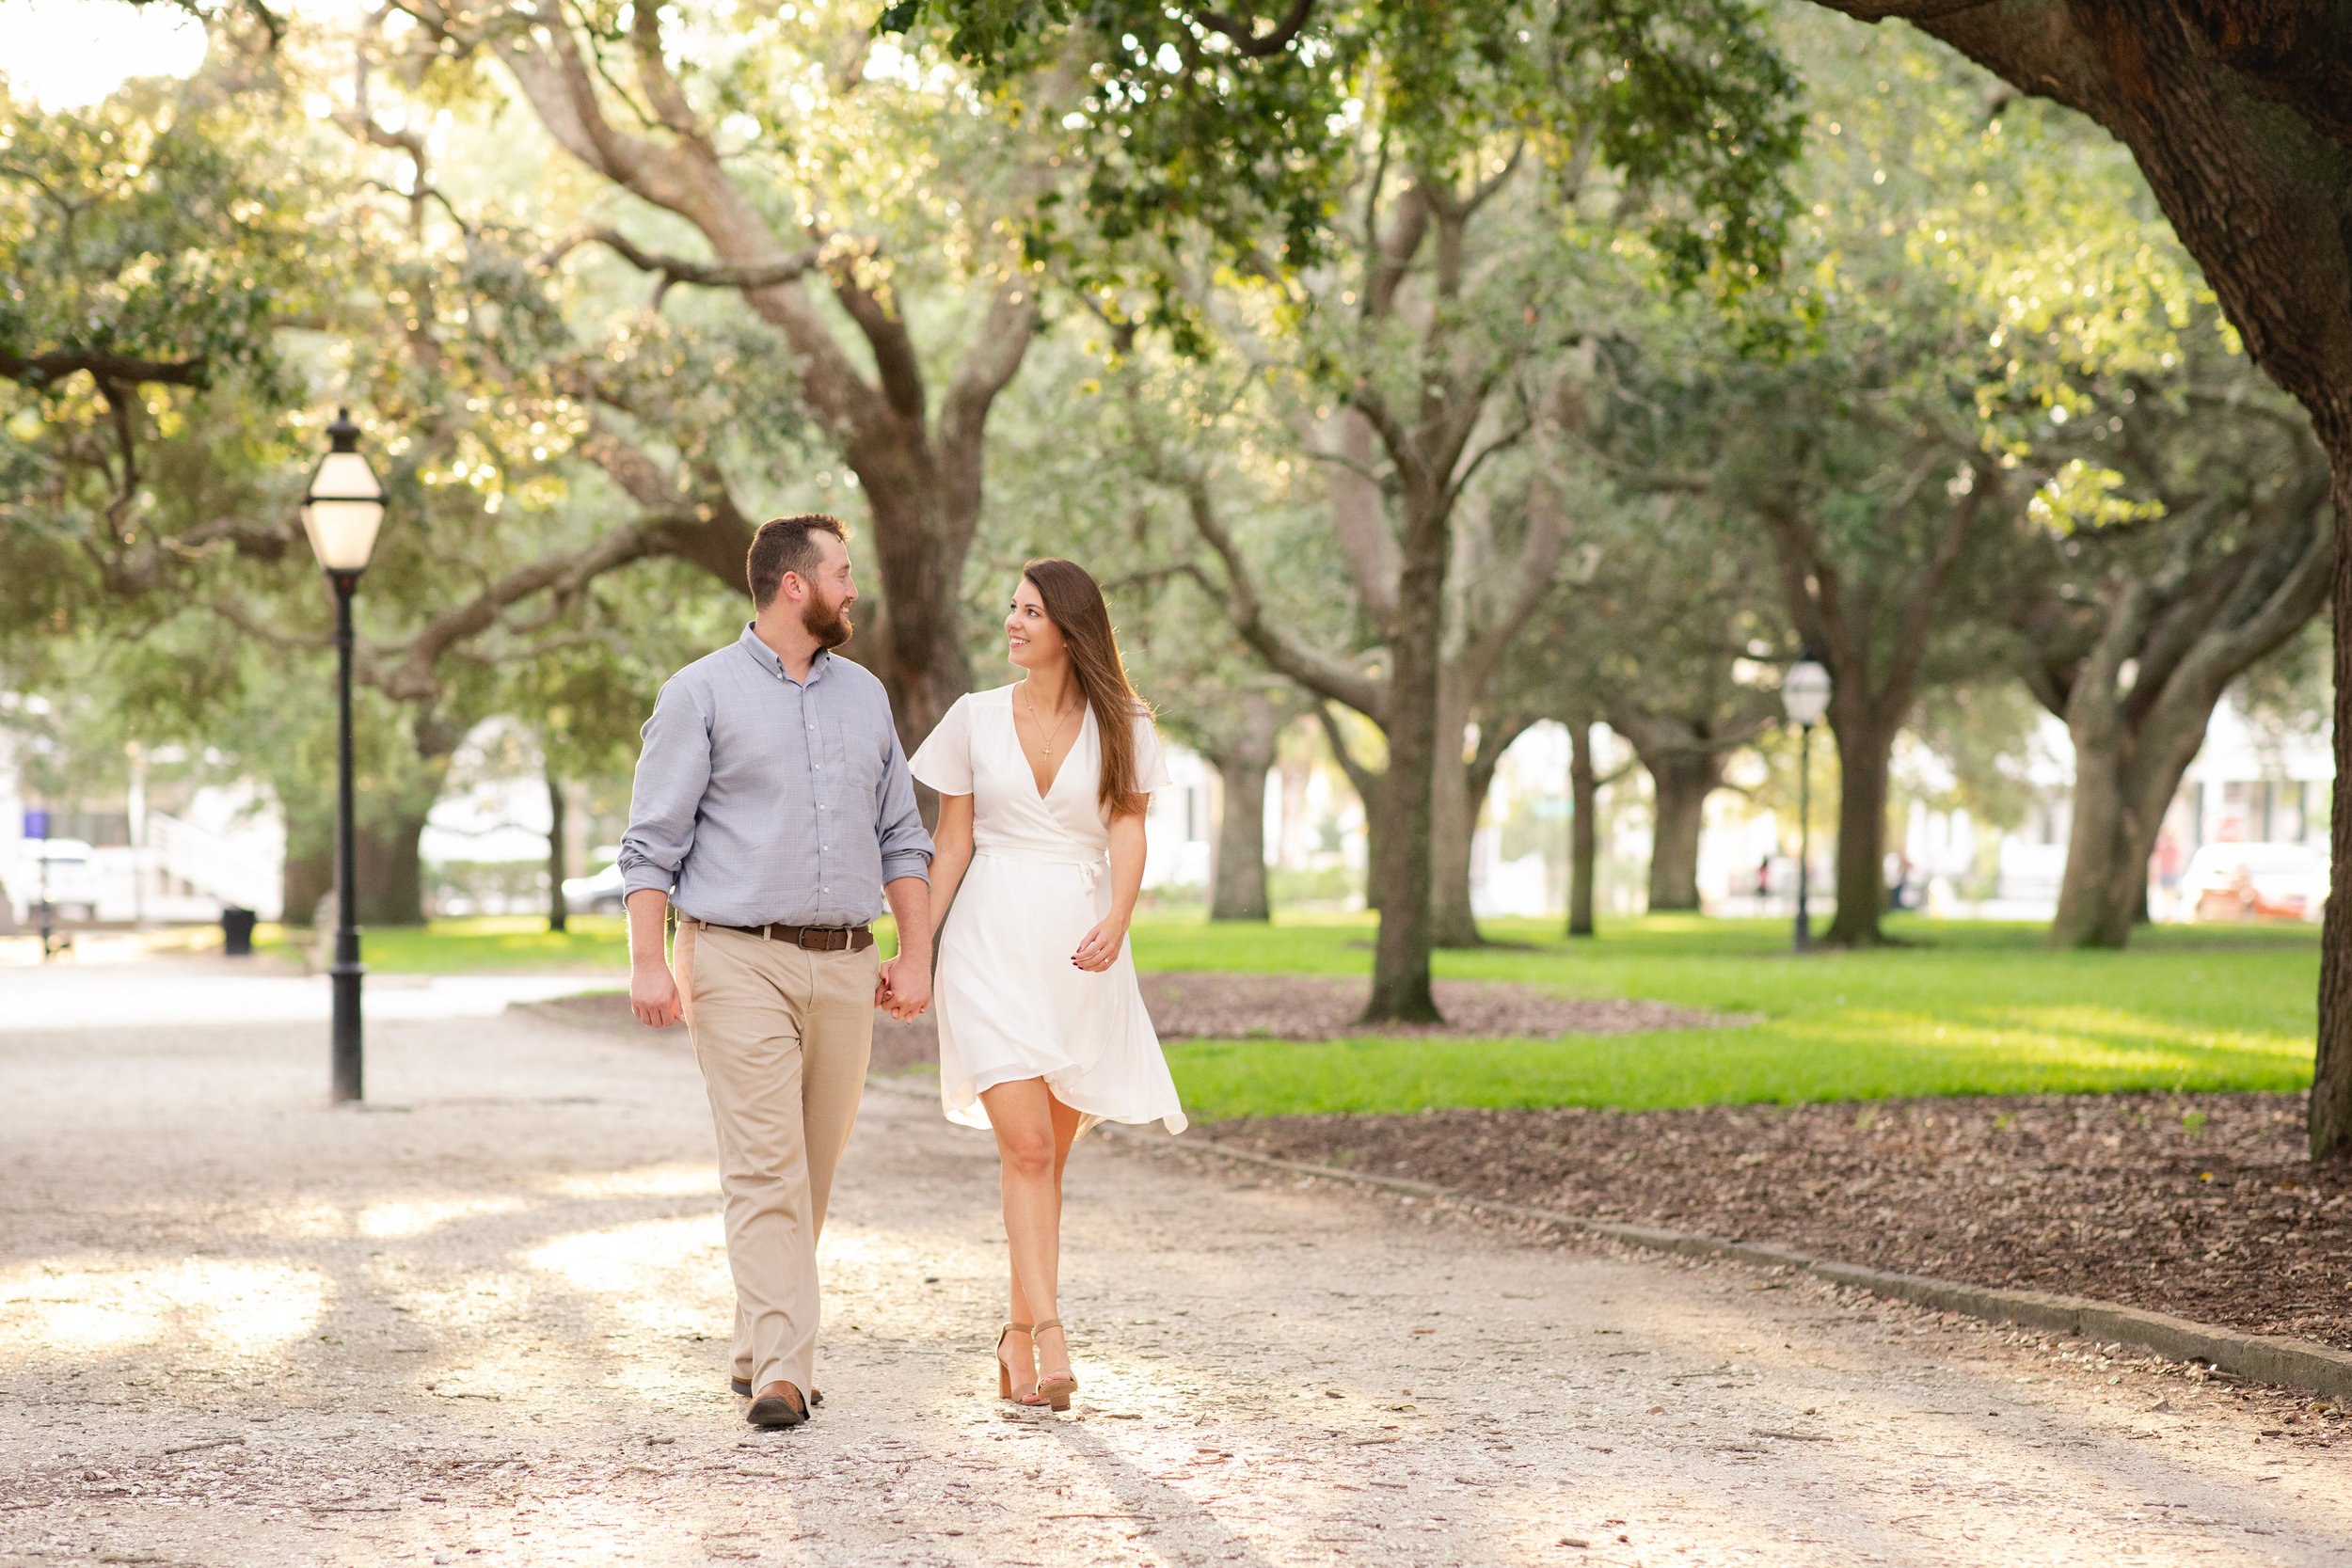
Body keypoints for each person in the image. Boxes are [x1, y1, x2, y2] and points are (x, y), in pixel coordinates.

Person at [616, 514, 934, 1431]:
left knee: (812, 1171)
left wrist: (914, 952)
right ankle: (787, 1372)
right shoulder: (698, 694)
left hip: (844, 964)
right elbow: (650, 847)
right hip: (732, 953)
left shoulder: (866, 695)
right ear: (794, 585)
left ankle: (760, 1338)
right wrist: (647, 961)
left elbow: (901, 836)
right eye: (841, 571)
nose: (853, 586)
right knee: (766, 1168)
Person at [909, 558, 1185, 1411]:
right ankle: (1053, 1332)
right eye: (1012, 609)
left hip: (1079, 948)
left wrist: (1120, 916)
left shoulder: (1124, 722)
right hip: (988, 942)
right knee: (1026, 1146)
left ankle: (1014, 1333)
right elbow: (950, 843)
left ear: (1070, 626)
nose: (1013, 623)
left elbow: (1129, 829)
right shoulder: (972, 718)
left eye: (1031, 611)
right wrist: (914, 947)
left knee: (1048, 1158)